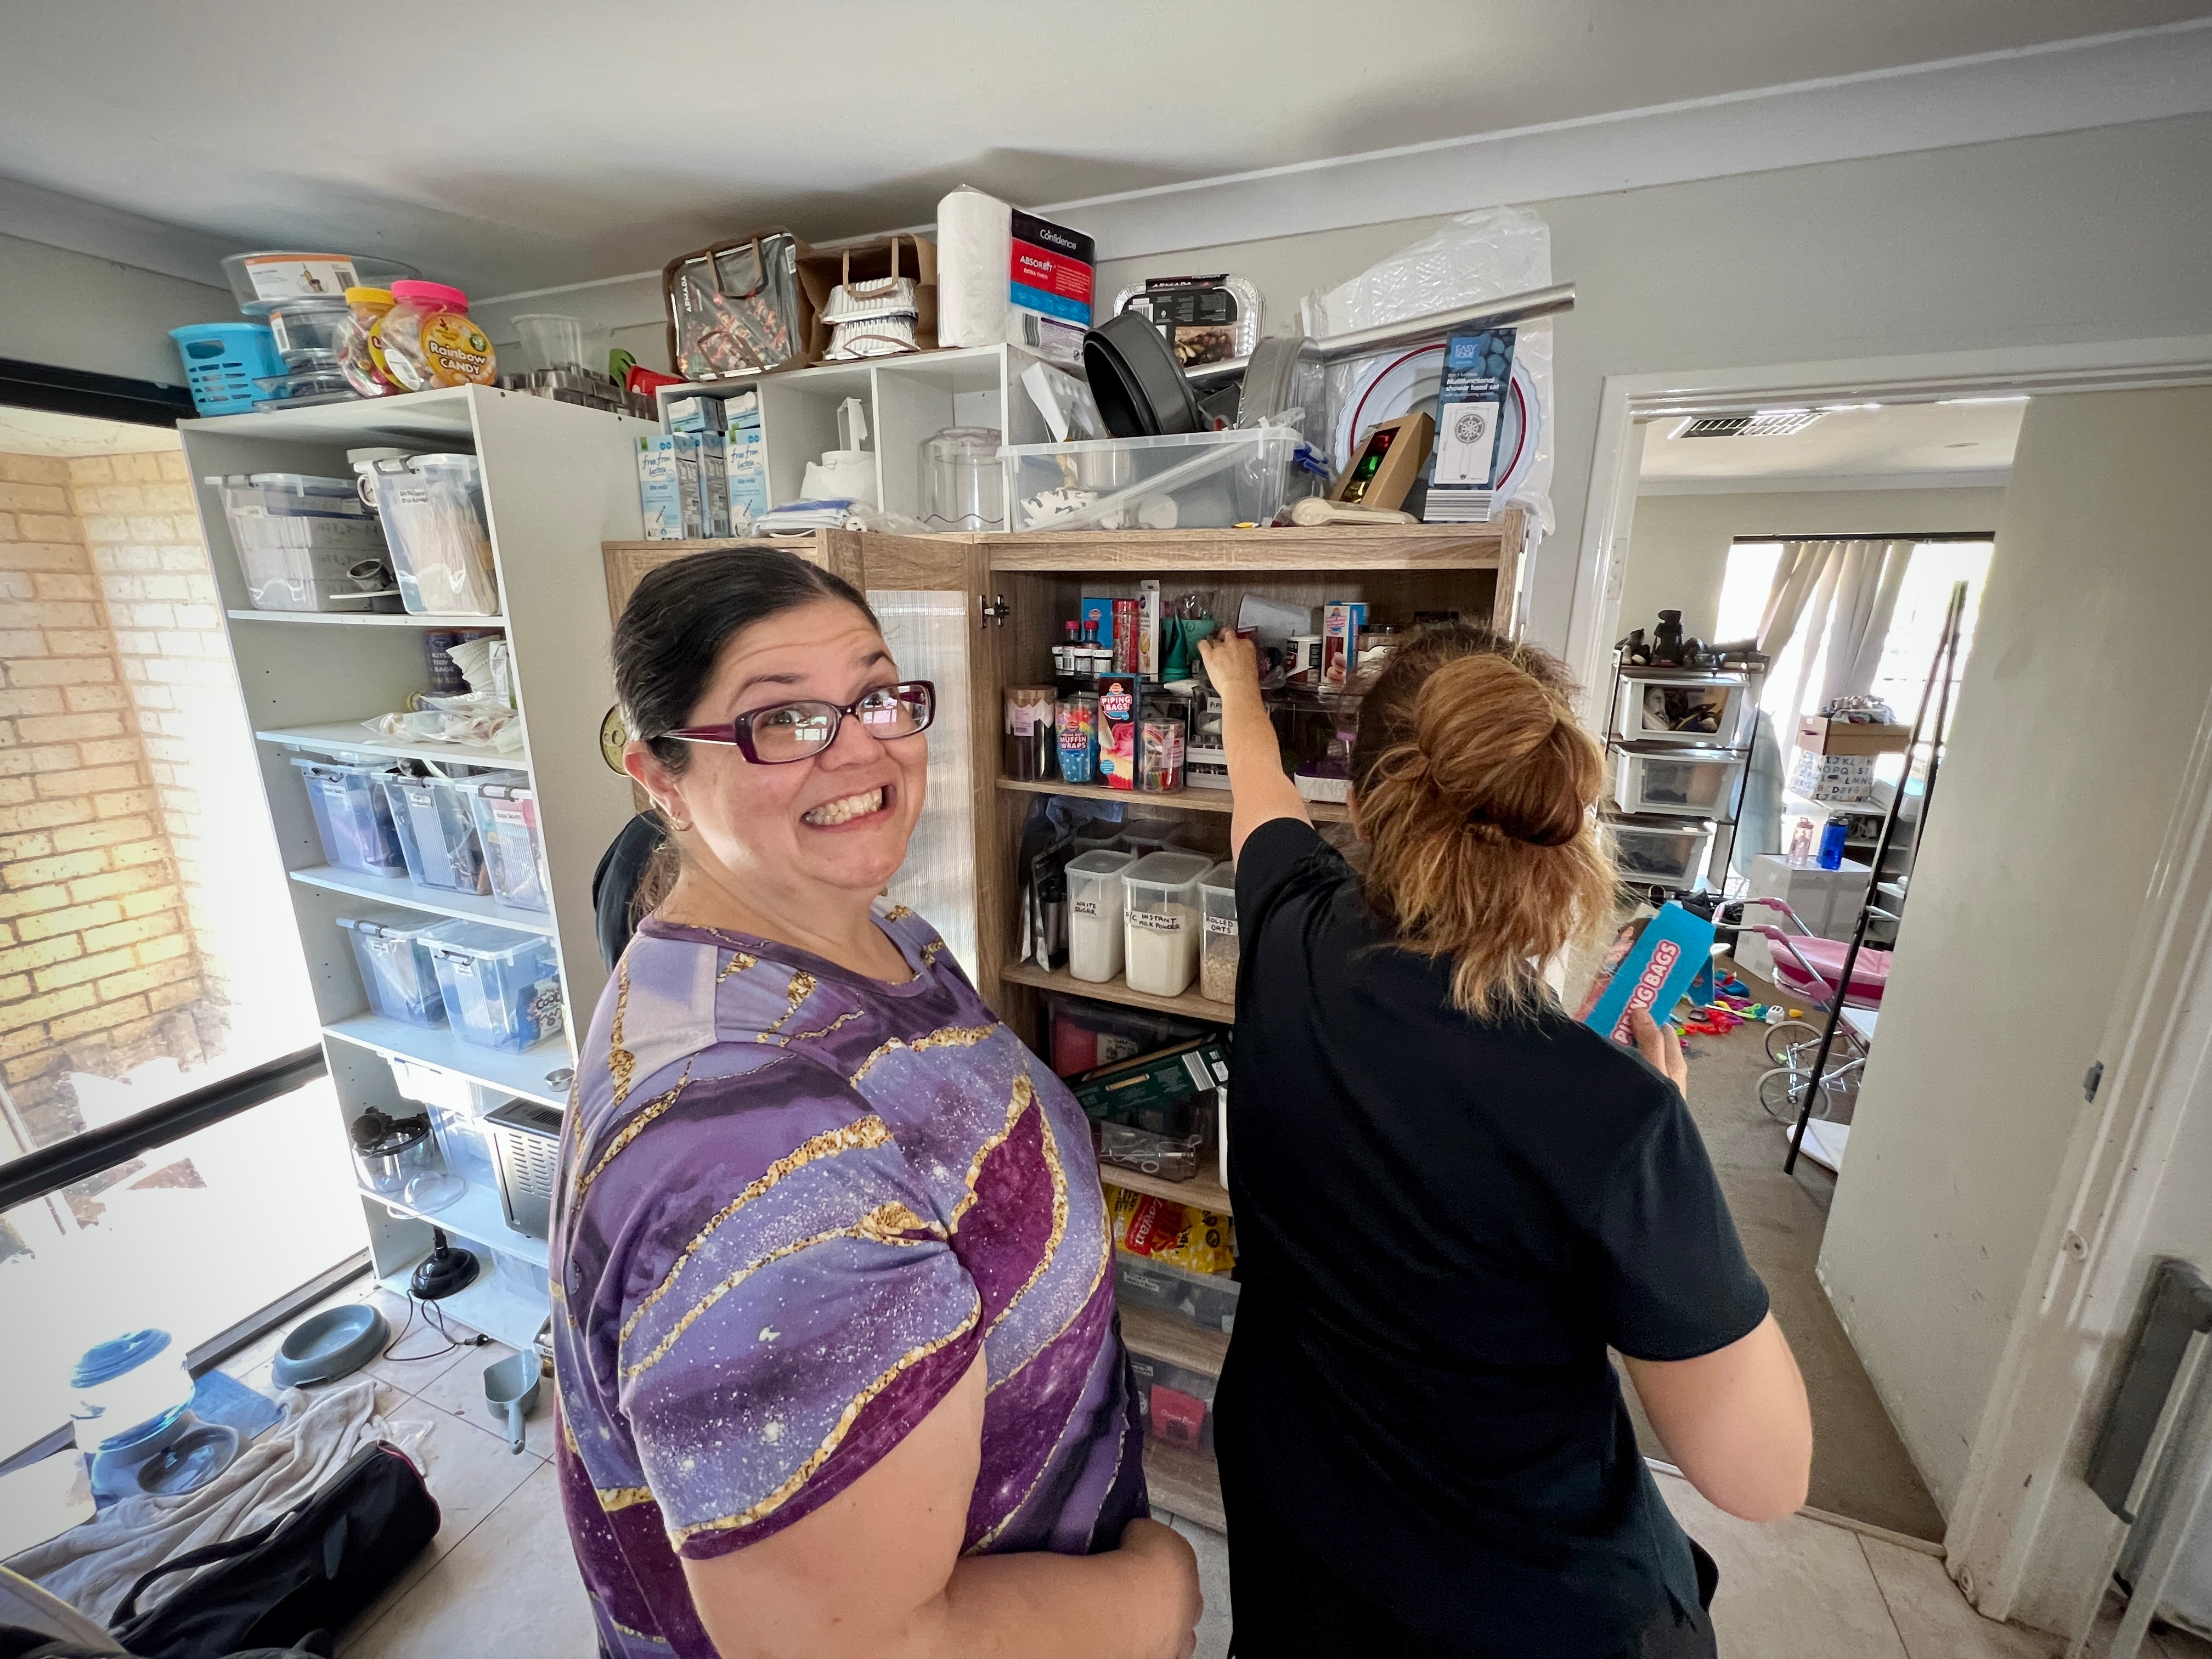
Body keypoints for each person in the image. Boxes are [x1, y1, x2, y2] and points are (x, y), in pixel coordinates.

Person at [552, 549, 1201, 1659]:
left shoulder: (883, 934)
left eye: (878, 695)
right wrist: (1163, 1593)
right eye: (783, 719)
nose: (861, 746)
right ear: (660, 775)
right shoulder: (746, 1149)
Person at [1197, 623, 1812, 1659]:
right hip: (1532, 1605)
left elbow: (1261, 788)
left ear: (1364, 805)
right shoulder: (1619, 1121)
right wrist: (1663, 1154)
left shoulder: (1291, 926)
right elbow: (1765, 1477)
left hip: (1298, 1537)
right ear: (1564, 824)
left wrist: (1238, 687)